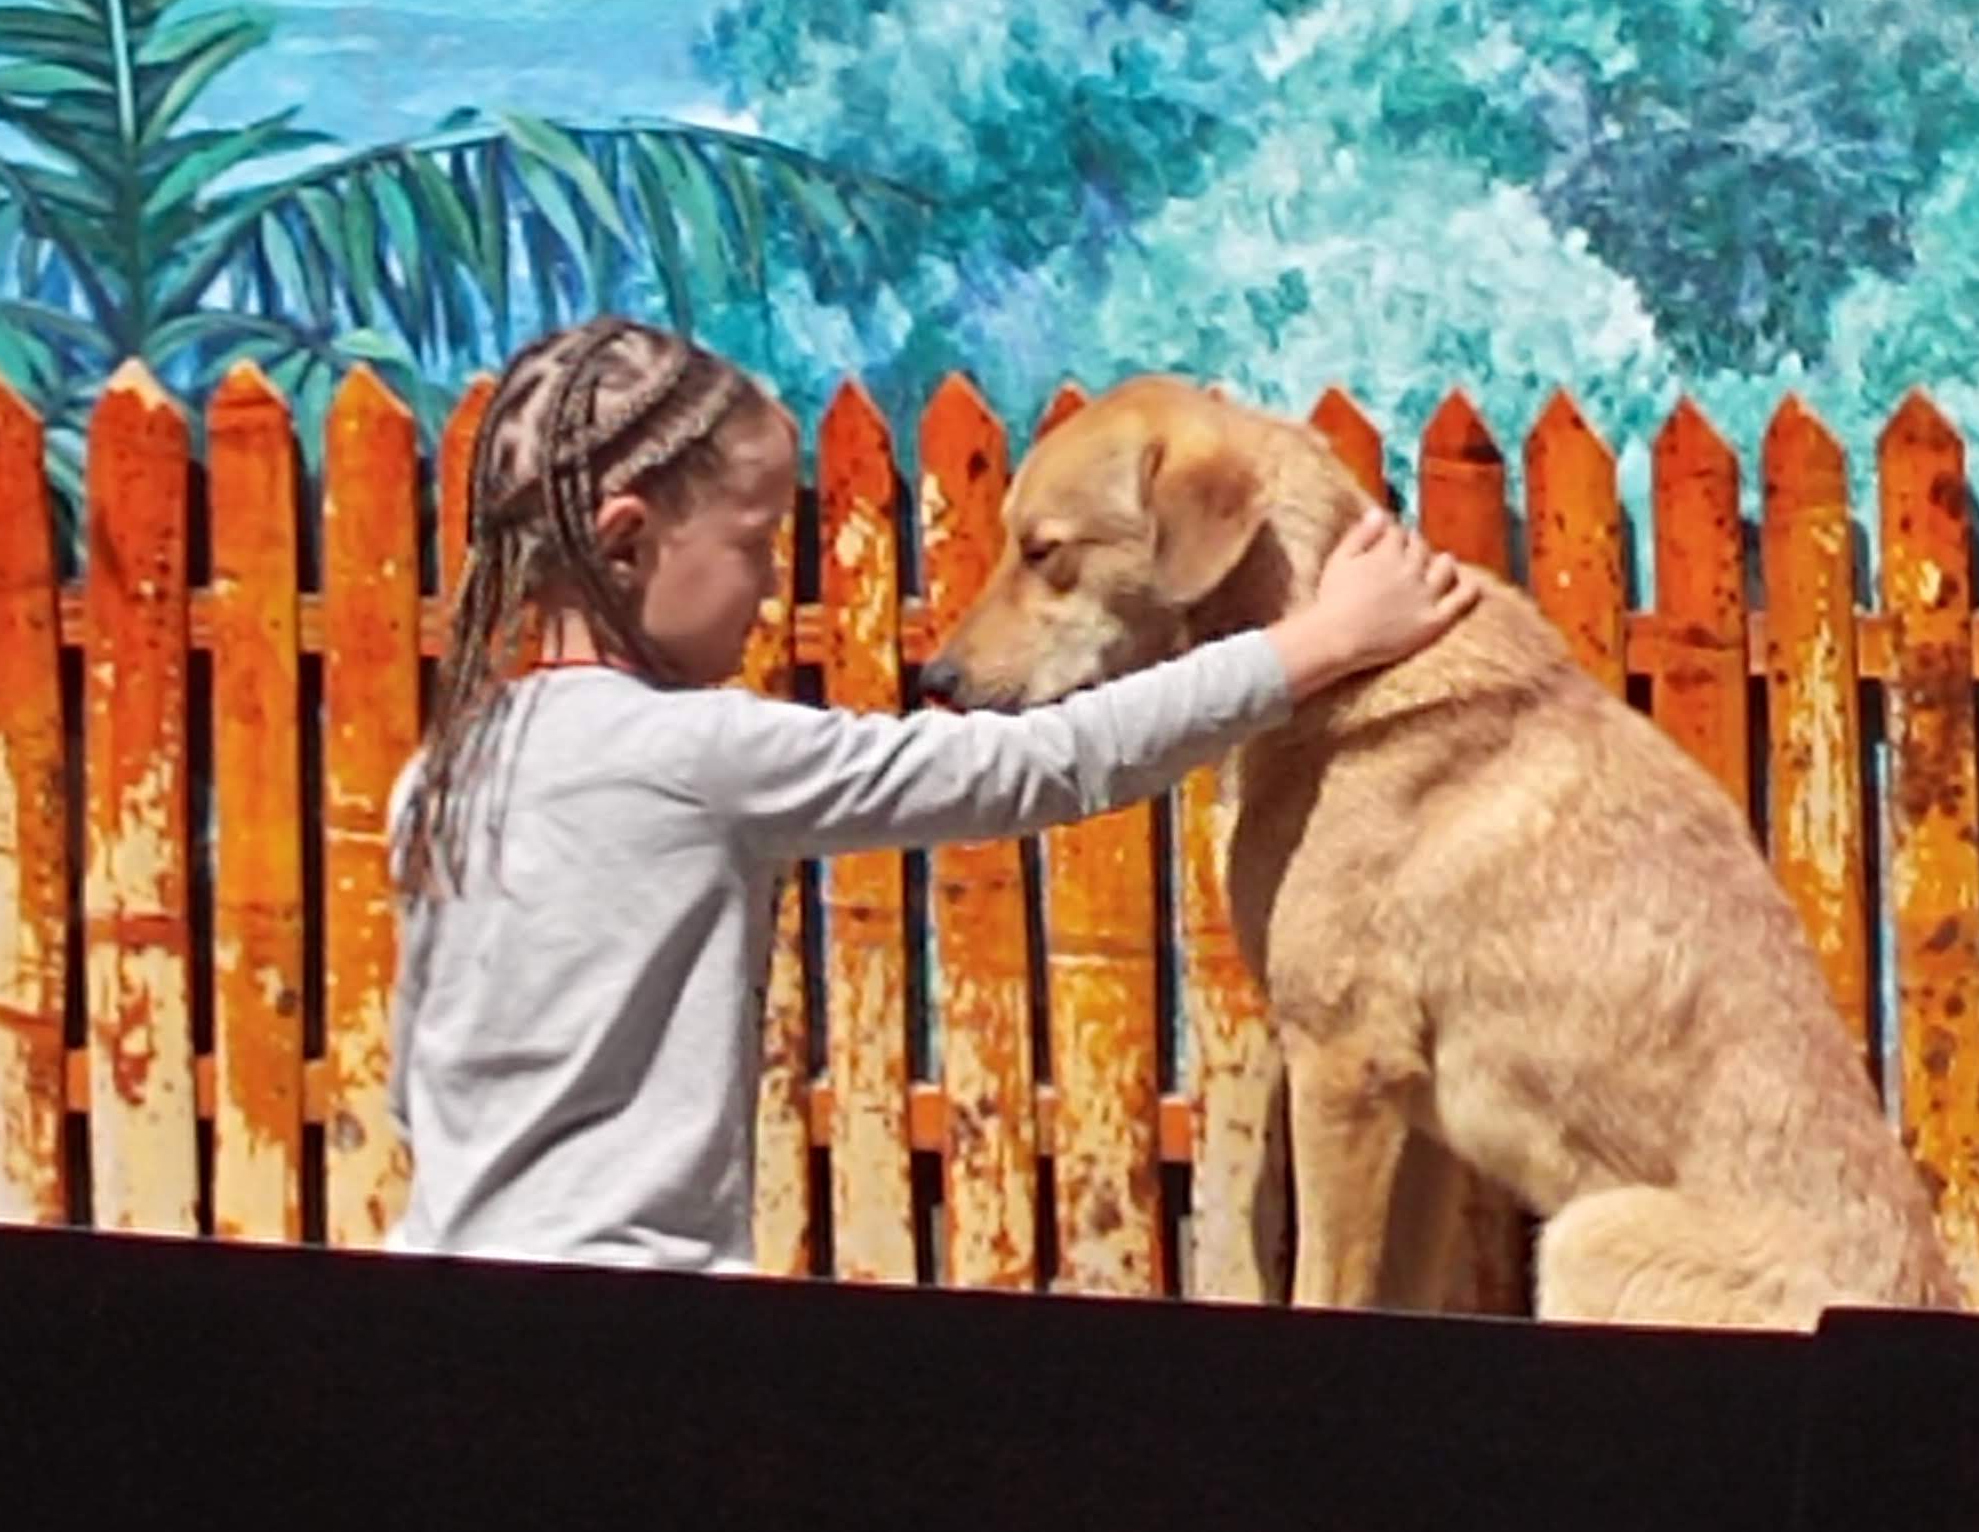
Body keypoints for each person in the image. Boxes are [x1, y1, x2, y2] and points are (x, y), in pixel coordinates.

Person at [386, 316, 1480, 1272]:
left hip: (437, 1291)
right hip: (636, 1313)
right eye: (757, 543)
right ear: (630, 542)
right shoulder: (698, 754)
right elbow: (1037, 765)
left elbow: (416, 1088)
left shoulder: (441, 778)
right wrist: (1319, 642)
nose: (774, 586)